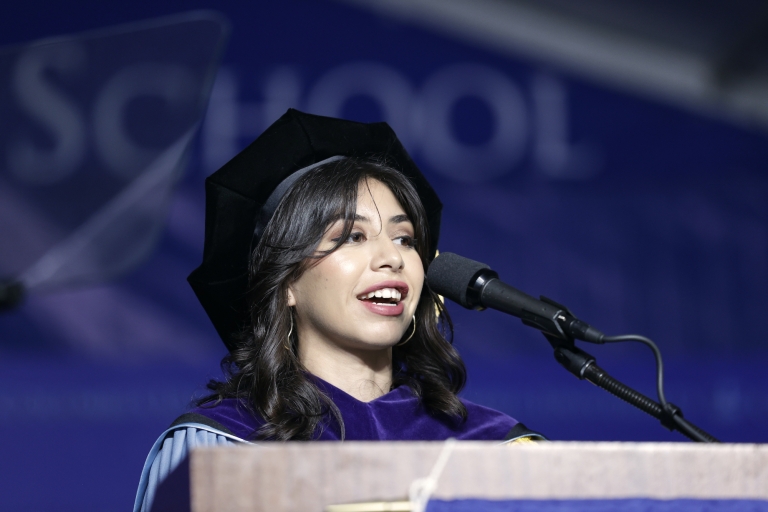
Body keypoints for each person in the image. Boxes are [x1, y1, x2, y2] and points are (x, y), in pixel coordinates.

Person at [133, 109, 544, 512]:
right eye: (352, 236)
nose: (391, 258)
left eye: (404, 238)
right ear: (287, 282)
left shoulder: (496, 451)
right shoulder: (219, 448)